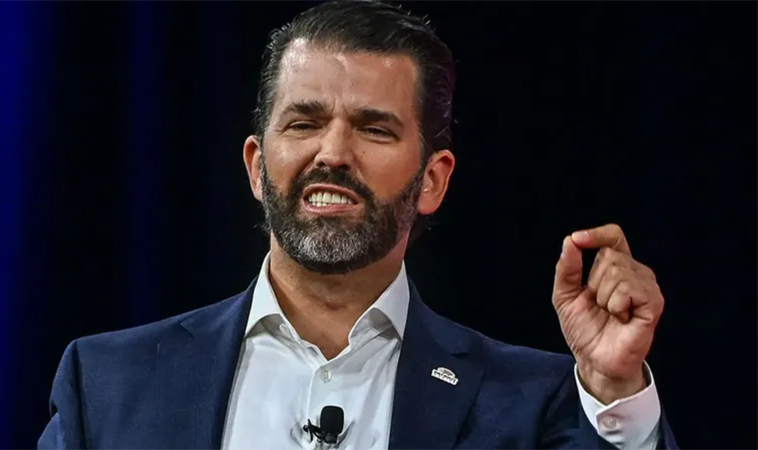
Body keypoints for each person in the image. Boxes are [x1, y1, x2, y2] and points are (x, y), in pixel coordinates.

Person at [38, 1, 679, 449]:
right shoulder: (108, 383)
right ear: (257, 167)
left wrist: (614, 389)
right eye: (304, 123)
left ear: (433, 180)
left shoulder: (532, 400)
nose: (333, 154)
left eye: (374, 129)